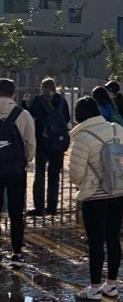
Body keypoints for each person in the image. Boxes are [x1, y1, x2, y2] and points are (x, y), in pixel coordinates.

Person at [68, 95, 123, 301]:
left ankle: (93, 288)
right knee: (113, 238)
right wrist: (119, 168)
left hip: (95, 196)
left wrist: (92, 178)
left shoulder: (83, 137)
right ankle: (111, 285)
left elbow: (76, 174)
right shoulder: (115, 129)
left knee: (95, 242)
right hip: (119, 191)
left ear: (79, 115)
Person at [0, 78, 36, 264]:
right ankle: (16, 252)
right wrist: (26, 160)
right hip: (15, 170)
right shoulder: (22, 114)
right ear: (13, 93)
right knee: (15, 211)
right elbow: (30, 143)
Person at [29, 77, 70, 216]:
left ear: (42, 87)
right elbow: (68, 118)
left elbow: (29, 115)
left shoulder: (38, 100)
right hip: (58, 142)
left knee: (39, 175)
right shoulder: (62, 101)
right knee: (54, 176)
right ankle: (52, 206)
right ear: (55, 87)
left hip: (42, 142)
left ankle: (39, 208)